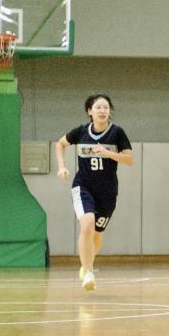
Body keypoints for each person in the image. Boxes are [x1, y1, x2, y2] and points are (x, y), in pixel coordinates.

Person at [55, 94, 135, 291]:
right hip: (83, 186)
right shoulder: (81, 132)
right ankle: (89, 272)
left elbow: (129, 159)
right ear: (89, 111)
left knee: (97, 233)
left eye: (106, 107)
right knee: (87, 224)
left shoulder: (117, 132)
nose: (102, 111)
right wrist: (62, 166)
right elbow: (60, 144)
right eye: (98, 107)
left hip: (107, 192)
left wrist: (109, 153)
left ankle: (86, 264)